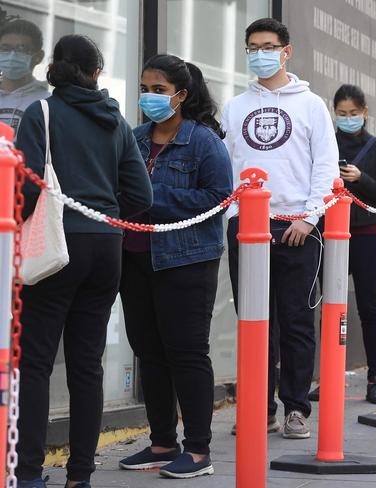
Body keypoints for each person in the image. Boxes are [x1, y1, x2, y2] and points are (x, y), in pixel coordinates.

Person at [15, 35, 152, 488]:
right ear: (96, 73)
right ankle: (80, 476)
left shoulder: (43, 113)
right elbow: (141, 196)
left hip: (56, 246)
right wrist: (107, 218)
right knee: (86, 365)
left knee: (34, 362)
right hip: (105, 248)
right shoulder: (115, 121)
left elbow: (31, 185)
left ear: (55, 68)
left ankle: (30, 473)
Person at [117, 55, 233, 479]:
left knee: (186, 353)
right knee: (149, 352)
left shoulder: (204, 141)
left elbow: (218, 197)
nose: (150, 97)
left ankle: (199, 451)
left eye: (159, 90)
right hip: (134, 259)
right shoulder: (134, 138)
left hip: (185, 261)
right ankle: (162, 443)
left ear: (181, 95)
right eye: (145, 88)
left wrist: (151, 202)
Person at [222, 17, 338, 439]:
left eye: (267, 46)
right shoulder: (236, 106)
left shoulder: (312, 105)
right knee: (254, 322)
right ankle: (259, 406)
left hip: (297, 228)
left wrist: (310, 218)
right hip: (247, 228)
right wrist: (232, 218)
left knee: (295, 323)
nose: (259, 54)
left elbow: (325, 166)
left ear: (286, 51)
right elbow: (226, 165)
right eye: (252, 47)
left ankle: (295, 408)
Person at [308, 84, 376, 404]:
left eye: (353, 114)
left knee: (368, 307)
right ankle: (327, 376)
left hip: (365, 236)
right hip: (329, 234)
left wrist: (360, 179)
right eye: (341, 114)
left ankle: (375, 379)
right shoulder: (325, 142)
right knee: (329, 307)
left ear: (365, 113)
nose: (347, 119)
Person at [0, 19, 50, 131]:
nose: (12, 55)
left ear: (38, 57)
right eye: (5, 48)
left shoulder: (47, 103)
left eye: (21, 49)